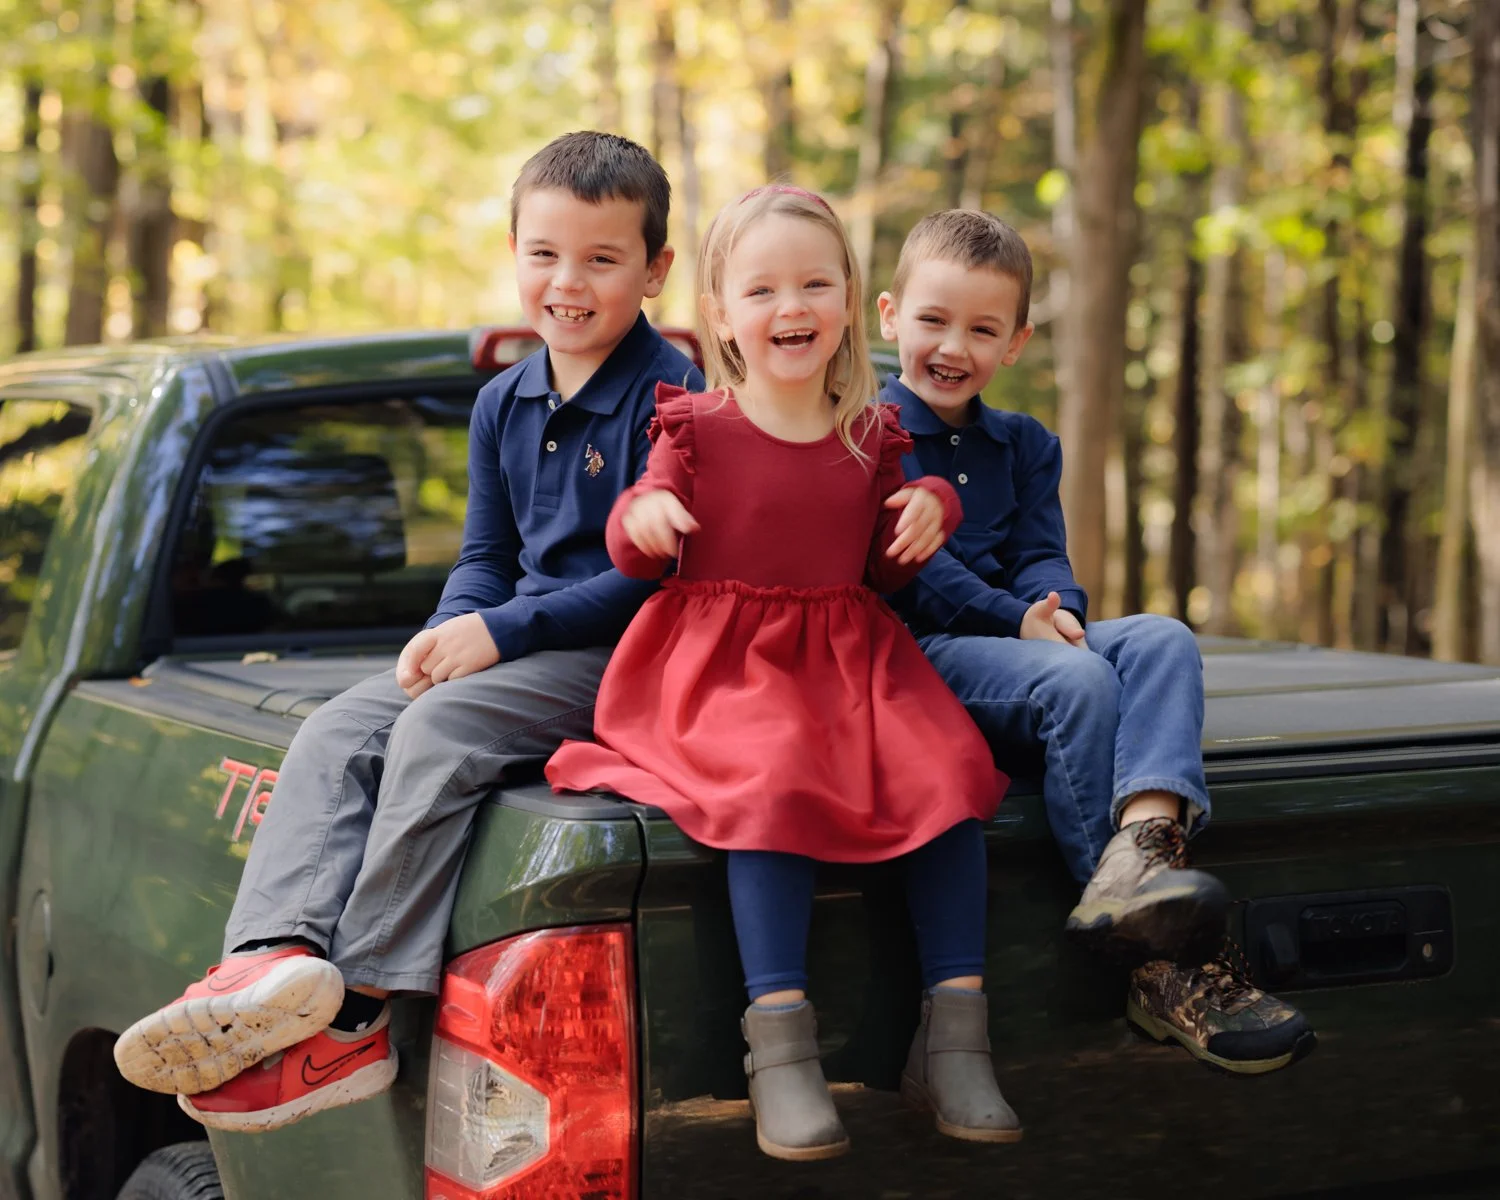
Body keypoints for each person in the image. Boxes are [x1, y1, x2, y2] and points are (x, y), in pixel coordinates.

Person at [112, 131, 705, 1132]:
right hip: (521, 643)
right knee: (339, 730)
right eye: (545, 254)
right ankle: (269, 962)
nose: (569, 281)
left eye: (603, 260)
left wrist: (497, 637)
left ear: (654, 270)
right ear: (515, 250)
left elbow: (648, 580)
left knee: (438, 733)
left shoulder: (670, 398)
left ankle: (356, 1020)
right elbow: (483, 555)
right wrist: (448, 632)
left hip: (632, 652)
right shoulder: (502, 401)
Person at [547, 185, 1019, 1160]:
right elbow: (642, 531)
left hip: (850, 660)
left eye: (814, 283)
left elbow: (888, 563)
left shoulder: (872, 436)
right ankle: (782, 1046)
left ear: (850, 299)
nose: (790, 307)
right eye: (761, 290)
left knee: (949, 774)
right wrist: (638, 522)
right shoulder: (695, 427)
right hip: (723, 668)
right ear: (720, 313)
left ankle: (958, 1034)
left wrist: (931, 505)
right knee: (770, 779)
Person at [876, 208, 1316, 1075]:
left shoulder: (1024, 444)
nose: (952, 345)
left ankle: (1143, 852)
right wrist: (1026, 626)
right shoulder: (871, 436)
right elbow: (916, 570)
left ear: (1017, 342)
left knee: (1158, 639)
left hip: (1023, 638)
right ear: (890, 316)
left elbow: (1043, 550)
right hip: (916, 652)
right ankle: (1164, 967)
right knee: (1072, 685)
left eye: (982, 327)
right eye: (933, 320)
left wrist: (1061, 611)